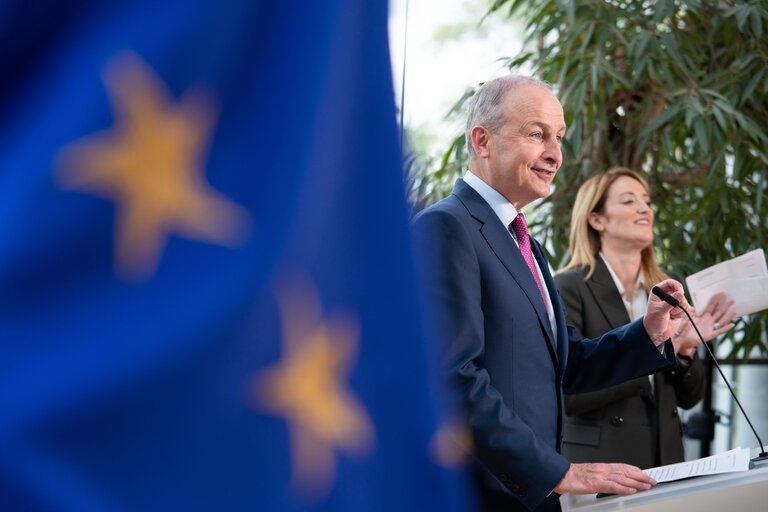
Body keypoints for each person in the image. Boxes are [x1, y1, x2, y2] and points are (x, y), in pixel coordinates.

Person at [412, 76, 696, 512]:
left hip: (533, 497)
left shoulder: (525, 242)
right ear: (483, 141)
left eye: (559, 137)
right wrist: (557, 471)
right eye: (537, 134)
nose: (554, 154)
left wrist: (649, 333)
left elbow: (565, 364)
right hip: (483, 496)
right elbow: (453, 376)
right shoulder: (447, 227)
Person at [555, 168, 736, 469]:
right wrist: (654, 351)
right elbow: (567, 391)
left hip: (664, 460)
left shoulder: (667, 288)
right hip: (600, 464)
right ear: (596, 219)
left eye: (647, 201)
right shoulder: (568, 286)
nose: (644, 209)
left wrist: (685, 350)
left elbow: (689, 400)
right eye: (628, 201)